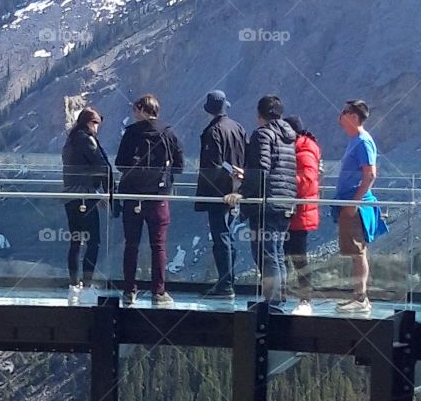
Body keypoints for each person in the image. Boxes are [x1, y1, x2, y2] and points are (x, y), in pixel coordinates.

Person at [228, 95, 296, 313]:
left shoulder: (262, 134)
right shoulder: (288, 137)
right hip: (286, 200)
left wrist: (242, 192)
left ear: (260, 114)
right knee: (277, 252)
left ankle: (271, 304)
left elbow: (261, 169)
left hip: (266, 202)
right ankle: (278, 300)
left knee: (266, 254)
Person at [115, 94, 184, 306]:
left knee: (131, 245)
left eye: (135, 109)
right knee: (159, 245)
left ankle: (129, 291)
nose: (134, 113)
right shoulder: (168, 132)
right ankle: (158, 291)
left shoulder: (131, 133)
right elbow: (180, 165)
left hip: (132, 197)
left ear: (141, 110)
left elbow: (120, 163)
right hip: (158, 198)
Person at [332, 99, 387, 314]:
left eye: (345, 112)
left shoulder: (363, 142)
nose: (341, 115)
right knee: (355, 251)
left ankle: (361, 297)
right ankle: (358, 295)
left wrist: (354, 203)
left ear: (354, 117)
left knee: (358, 251)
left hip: (357, 204)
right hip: (351, 202)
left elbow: (370, 174)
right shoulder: (355, 141)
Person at [194, 90, 247, 300]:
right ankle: (229, 281)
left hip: (218, 192)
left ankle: (225, 284)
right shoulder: (238, 127)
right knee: (228, 235)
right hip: (236, 190)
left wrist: (225, 174)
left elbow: (214, 163)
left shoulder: (213, 131)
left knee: (220, 236)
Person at [62, 106, 112, 305]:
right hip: (86, 197)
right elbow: (103, 166)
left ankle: (73, 286)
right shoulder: (87, 140)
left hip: (70, 196)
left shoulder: (69, 141)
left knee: (76, 241)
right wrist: (106, 193)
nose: (97, 127)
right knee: (93, 241)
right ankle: (87, 286)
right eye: (95, 123)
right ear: (88, 123)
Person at [283, 115, 322, 315]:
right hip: (296, 210)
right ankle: (284, 294)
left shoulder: (304, 149)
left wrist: (283, 180)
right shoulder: (302, 147)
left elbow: (307, 180)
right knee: (287, 255)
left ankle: (305, 298)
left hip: (300, 211)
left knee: (298, 257)